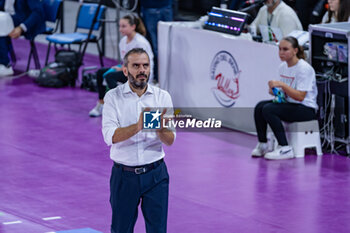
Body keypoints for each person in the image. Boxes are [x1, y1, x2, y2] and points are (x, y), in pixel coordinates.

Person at [102, 48, 175, 233]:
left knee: (158, 230)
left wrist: (159, 127)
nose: (142, 70)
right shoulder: (113, 97)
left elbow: (170, 140)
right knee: (121, 229)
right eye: (136, 66)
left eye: (145, 65)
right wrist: (138, 126)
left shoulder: (162, 97)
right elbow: (109, 136)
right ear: (125, 71)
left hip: (156, 173)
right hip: (124, 176)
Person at [252, 36, 318, 160]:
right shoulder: (282, 67)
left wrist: (282, 85)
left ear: (295, 51)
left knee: (269, 109)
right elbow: (286, 93)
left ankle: (284, 147)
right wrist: (275, 91)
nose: (281, 53)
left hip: (305, 108)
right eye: (280, 49)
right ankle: (263, 144)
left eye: (285, 49)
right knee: (260, 106)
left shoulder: (304, 69)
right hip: (290, 103)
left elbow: (300, 96)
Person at [89, 14, 154, 117]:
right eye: (120, 26)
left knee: (110, 77)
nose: (120, 29)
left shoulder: (140, 43)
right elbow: (125, 62)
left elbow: (146, 65)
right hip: (128, 70)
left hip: (140, 74)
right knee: (101, 72)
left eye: (124, 26)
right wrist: (120, 68)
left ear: (133, 27)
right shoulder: (123, 41)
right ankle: (101, 103)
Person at [0, 0, 45, 77]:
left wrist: (21, 28)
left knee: (2, 23)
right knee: (2, 21)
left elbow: (37, 12)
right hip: (8, 17)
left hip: (25, 21)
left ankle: (5, 65)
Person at [139, 0, 173, 83]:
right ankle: (161, 77)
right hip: (160, 7)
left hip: (155, 8)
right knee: (162, 45)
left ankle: (160, 77)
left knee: (159, 46)